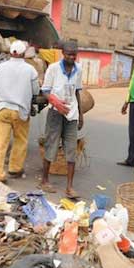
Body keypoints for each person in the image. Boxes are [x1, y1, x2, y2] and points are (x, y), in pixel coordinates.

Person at [0, 40, 40, 183]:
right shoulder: (30, 70)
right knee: (20, 140)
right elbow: (36, 91)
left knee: (0, 143)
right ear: (24, 53)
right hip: (20, 111)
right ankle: (15, 168)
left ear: (10, 52)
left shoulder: (0, 67)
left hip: (2, 109)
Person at [39, 41, 83, 198]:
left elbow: (77, 92)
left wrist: (81, 115)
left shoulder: (79, 70)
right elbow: (44, 91)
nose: (72, 57)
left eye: (74, 54)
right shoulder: (54, 68)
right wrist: (55, 102)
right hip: (55, 113)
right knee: (51, 145)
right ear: (63, 53)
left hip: (72, 114)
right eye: (69, 54)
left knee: (71, 149)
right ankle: (44, 180)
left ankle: (69, 187)